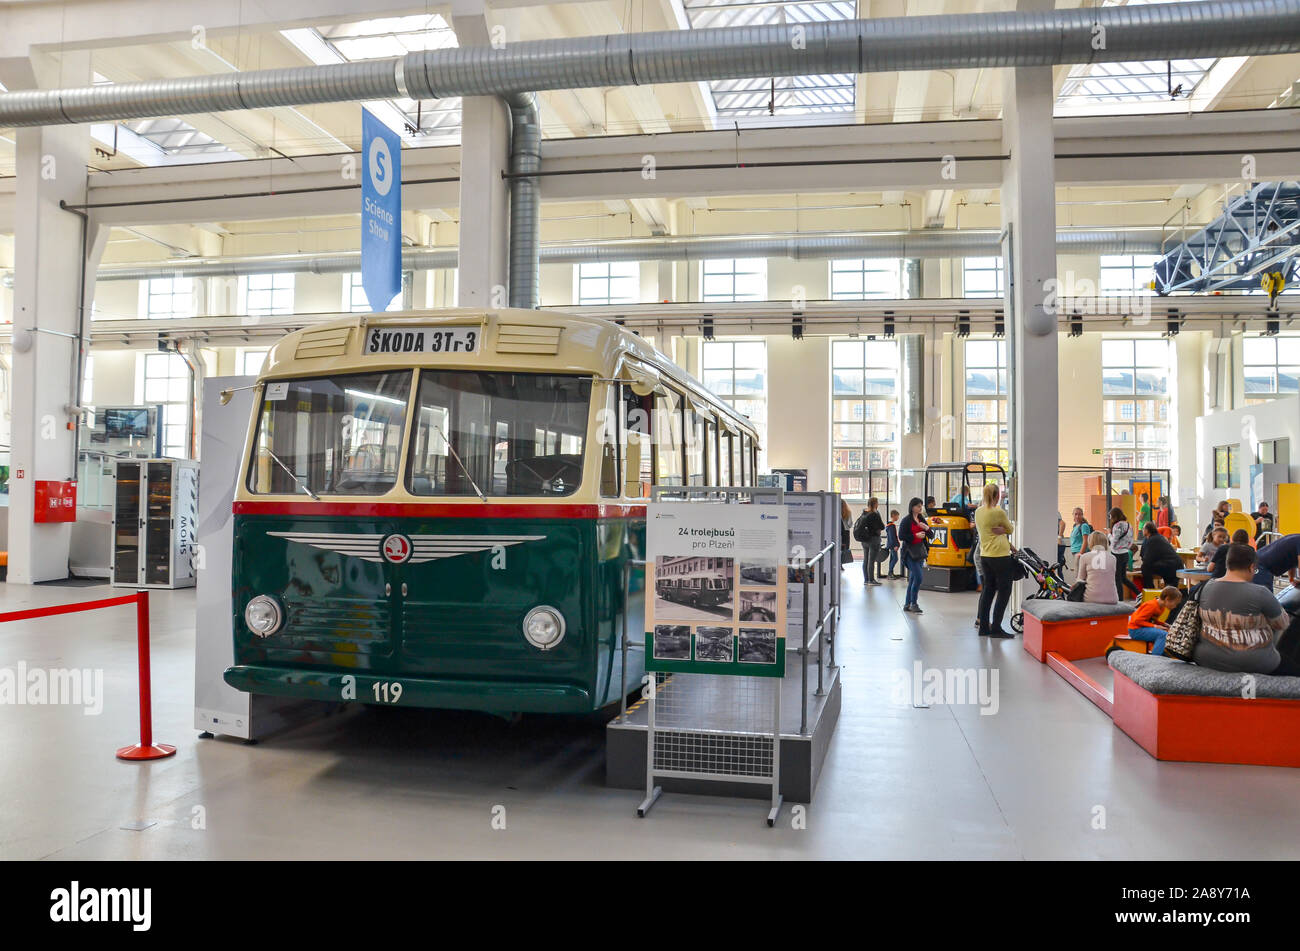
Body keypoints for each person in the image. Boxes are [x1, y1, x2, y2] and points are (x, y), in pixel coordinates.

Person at [1194, 544, 1290, 674]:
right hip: (1253, 662)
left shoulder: (1206, 587)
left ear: (1228, 564)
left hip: (1206, 658)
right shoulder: (1260, 592)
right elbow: (1282, 624)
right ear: (1251, 567)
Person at [974, 482, 1015, 638]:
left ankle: (984, 627)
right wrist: (1004, 529)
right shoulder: (998, 512)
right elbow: (1010, 529)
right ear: (997, 496)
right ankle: (996, 627)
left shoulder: (978, 512)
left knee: (988, 590)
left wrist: (1001, 529)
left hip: (985, 556)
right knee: (1004, 591)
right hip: (1000, 556)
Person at [1127, 585, 1182, 656]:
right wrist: (1155, 626)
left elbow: (1151, 620)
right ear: (1167, 599)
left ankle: (1161, 651)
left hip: (1142, 628)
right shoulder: (1151, 605)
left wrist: (1163, 624)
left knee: (1166, 631)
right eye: (1175, 604)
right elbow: (1137, 621)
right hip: (1135, 630)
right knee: (1163, 634)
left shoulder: (1162, 607)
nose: (1175, 606)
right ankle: (1155, 657)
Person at [899, 497, 931, 614]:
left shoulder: (922, 519)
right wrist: (915, 536)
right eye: (918, 506)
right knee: (918, 577)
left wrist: (927, 528)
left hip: (920, 553)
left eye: (921, 506)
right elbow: (901, 536)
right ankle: (914, 603)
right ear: (912, 507)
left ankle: (908, 604)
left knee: (913, 579)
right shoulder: (906, 520)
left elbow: (931, 535)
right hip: (909, 553)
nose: (920, 508)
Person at [1138, 522, 1183, 592]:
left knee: (1145, 568)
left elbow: (1148, 559)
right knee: (1171, 590)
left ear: (1147, 530)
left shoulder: (1152, 540)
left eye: (1143, 528)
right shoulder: (1158, 537)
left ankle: (1150, 591)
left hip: (1171, 566)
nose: (1142, 530)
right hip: (1176, 564)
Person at [1077, 532, 1118, 605]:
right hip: (1112, 598)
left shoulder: (1085, 557)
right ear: (1105, 542)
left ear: (1090, 542)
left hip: (1091, 598)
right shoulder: (1113, 558)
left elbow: (1080, 580)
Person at [1109, 507, 1139, 599]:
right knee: (1123, 578)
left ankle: (1120, 601)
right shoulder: (1129, 525)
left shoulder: (1117, 526)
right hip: (1126, 553)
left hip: (1117, 554)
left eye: (1110, 516)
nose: (1110, 519)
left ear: (1114, 516)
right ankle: (1139, 594)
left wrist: (1109, 535)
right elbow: (1131, 541)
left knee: (1117, 579)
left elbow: (1114, 542)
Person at [854, 499, 886, 586]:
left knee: (866, 560)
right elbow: (882, 526)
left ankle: (866, 579)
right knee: (871, 560)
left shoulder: (864, 512)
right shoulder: (875, 514)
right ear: (875, 504)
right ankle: (871, 580)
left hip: (864, 540)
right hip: (874, 540)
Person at [1068, 508, 1093, 573]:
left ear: (1082, 515)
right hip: (1075, 553)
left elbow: (1086, 541)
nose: (1077, 516)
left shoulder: (1084, 526)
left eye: (1079, 514)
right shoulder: (1075, 526)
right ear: (1073, 515)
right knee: (1078, 573)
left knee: (1080, 574)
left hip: (1081, 553)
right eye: (1075, 514)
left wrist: (1080, 554)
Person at [885, 510, 901, 579]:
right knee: (895, 559)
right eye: (897, 516)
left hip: (891, 545)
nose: (898, 517)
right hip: (893, 545)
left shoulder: (889, 525)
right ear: (893, 516)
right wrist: (896, 545)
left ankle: (891, 573)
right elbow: (892, 537)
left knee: (892, 559)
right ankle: (890, 573)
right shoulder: (891, 526)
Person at [839, 499, 854, 567]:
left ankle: (838, 563)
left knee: (838, 547)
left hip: (838, 531)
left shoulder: (836, 512)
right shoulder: (848, 512)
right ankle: (842, 563)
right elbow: (850, 524)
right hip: (846, 532)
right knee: (844, 548)